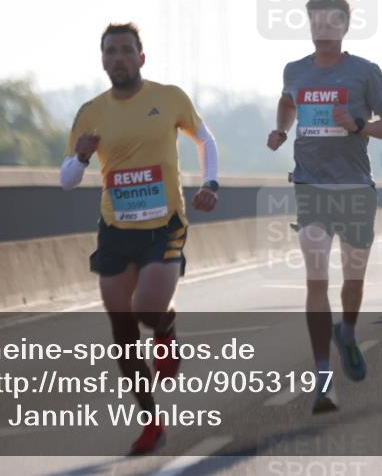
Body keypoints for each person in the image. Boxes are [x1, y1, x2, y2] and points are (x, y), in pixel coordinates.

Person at [60, 22, 220, 455]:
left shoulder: (168, 98)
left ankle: (166, 329)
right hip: (115, 230)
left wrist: (212, 183)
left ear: (141, 58)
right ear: (102, 60)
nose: (118, 58)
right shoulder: (91, 112)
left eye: (126, 50)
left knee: (147, 310)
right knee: (123, 331)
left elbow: (204, 139)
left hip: (163, 225)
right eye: (110, 51)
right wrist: (81, 155)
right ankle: (152, 423)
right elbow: (67, 179)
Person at [267, 0, 382, 414]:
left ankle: (346, 331)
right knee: (314, 282)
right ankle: (323, 379)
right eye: (316, 22)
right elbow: (287, 102)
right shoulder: (295, 70)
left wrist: (360, 124)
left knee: (353, 282)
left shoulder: (364, 73)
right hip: (310, 188)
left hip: (356, 190)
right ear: (309, 25)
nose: (323, 30)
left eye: (332, 22)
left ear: (345, 26)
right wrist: (281, 131)